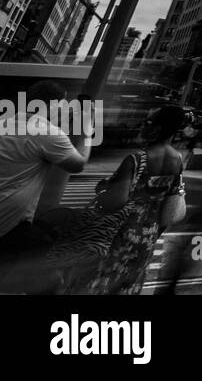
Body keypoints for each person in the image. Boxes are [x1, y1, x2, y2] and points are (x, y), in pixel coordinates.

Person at [47, 106, 187, 295]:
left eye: (148, 122)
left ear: (158, 128)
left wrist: (103, 191)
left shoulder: (137, 159)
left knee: (98, 281)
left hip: (119, 234)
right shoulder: (177, 159)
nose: (143, 126)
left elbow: (116, 201)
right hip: (147, 235)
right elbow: (169, 199)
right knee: (126, 283)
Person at [0, 81, 91, 267]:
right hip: (9, 220)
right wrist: (86, 134)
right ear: (53, 105)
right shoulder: (48, 133)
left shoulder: (4, 123)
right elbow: (78, 164)